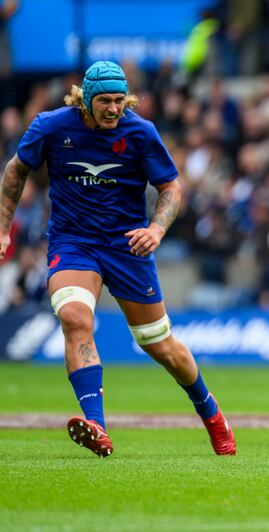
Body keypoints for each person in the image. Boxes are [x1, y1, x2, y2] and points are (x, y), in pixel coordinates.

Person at [0, 61, 236, 457]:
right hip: (73, 243)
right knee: (75, 319)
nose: (113, 109)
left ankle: (211, 413)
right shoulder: (51, 126)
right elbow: (16, 169)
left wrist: (157, 230)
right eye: (105, 101)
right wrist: (4, 227)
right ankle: (97, 425)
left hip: (127, 247)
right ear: (85, 100)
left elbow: (171, 188)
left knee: (159, 346)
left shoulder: (141, 132)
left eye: (119, 101)